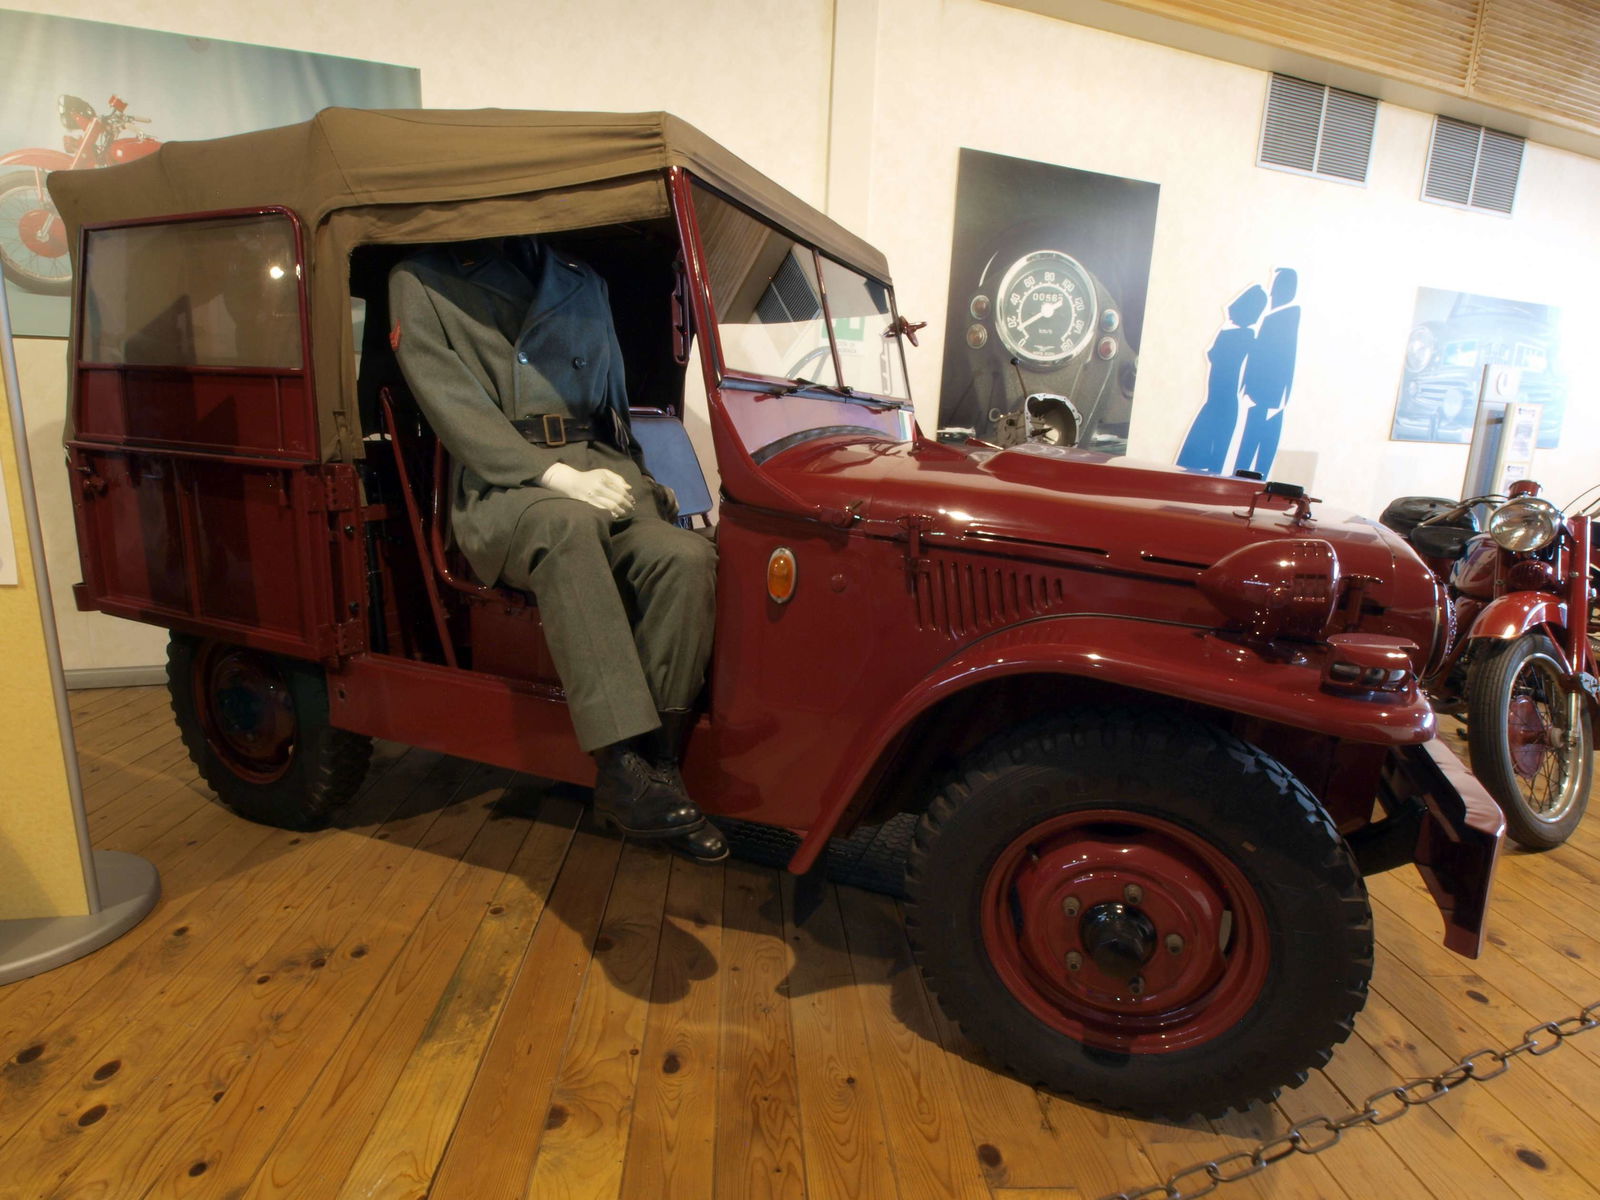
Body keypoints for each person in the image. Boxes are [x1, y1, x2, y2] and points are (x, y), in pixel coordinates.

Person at [388, 234, 726, 862]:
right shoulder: (424, 280)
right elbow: (453, 409)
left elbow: (612, 402)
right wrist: (553, 477)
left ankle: (654, 773)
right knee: (567, 529)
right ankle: (621, 761)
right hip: (504, 484)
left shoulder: (581, 278)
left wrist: (639, 478)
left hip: (596, 466)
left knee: (686, 557)